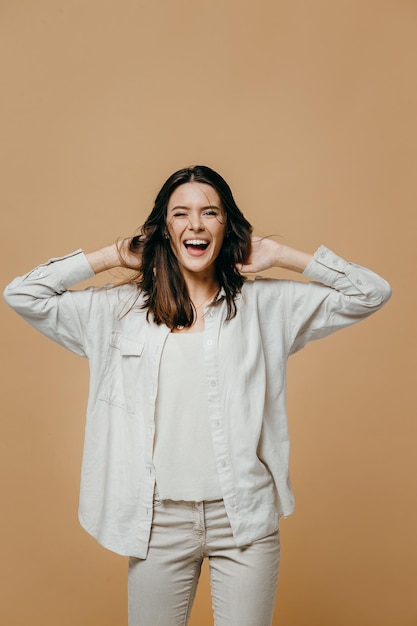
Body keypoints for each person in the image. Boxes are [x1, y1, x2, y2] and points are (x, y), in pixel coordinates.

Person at [4, 165, 391, 626]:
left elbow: (372, 292)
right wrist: (111, 255)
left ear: (226, 226)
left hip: (243, 521)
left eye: (210, 213)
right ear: (165, 230)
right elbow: (23, 294)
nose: (196, 224)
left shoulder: (266, 307)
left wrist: (279, 253)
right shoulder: (119, 312)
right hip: (157, 524)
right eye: (181, 214)